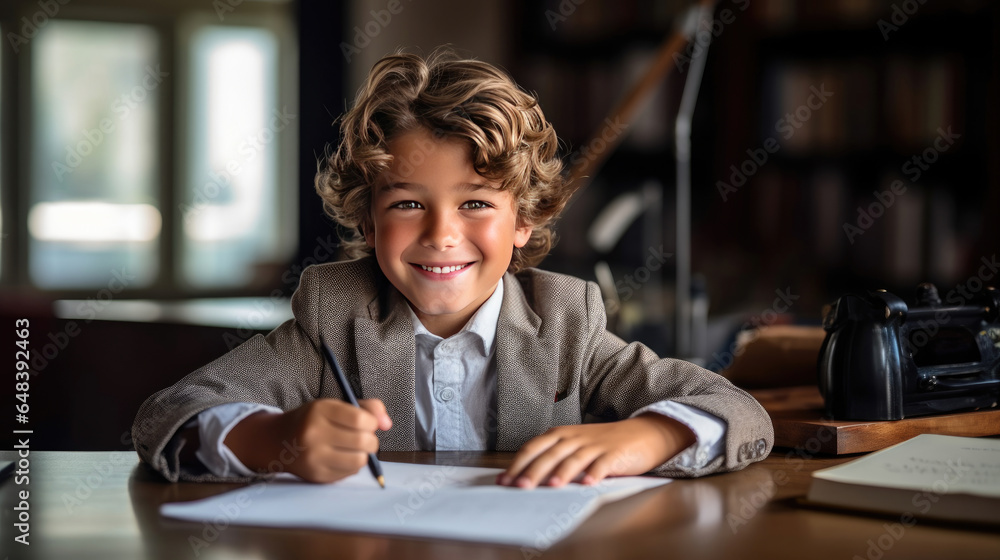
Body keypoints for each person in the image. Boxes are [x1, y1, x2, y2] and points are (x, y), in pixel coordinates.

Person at [132, 49, 773, 488]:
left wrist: (642, 441)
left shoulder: (567, 323)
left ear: (523, 221)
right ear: (366, 220)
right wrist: (270, 441)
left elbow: (736, 408)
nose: (442, 234)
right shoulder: (333, 316)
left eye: (475, 203)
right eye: (408, 203)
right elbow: (169, 412)